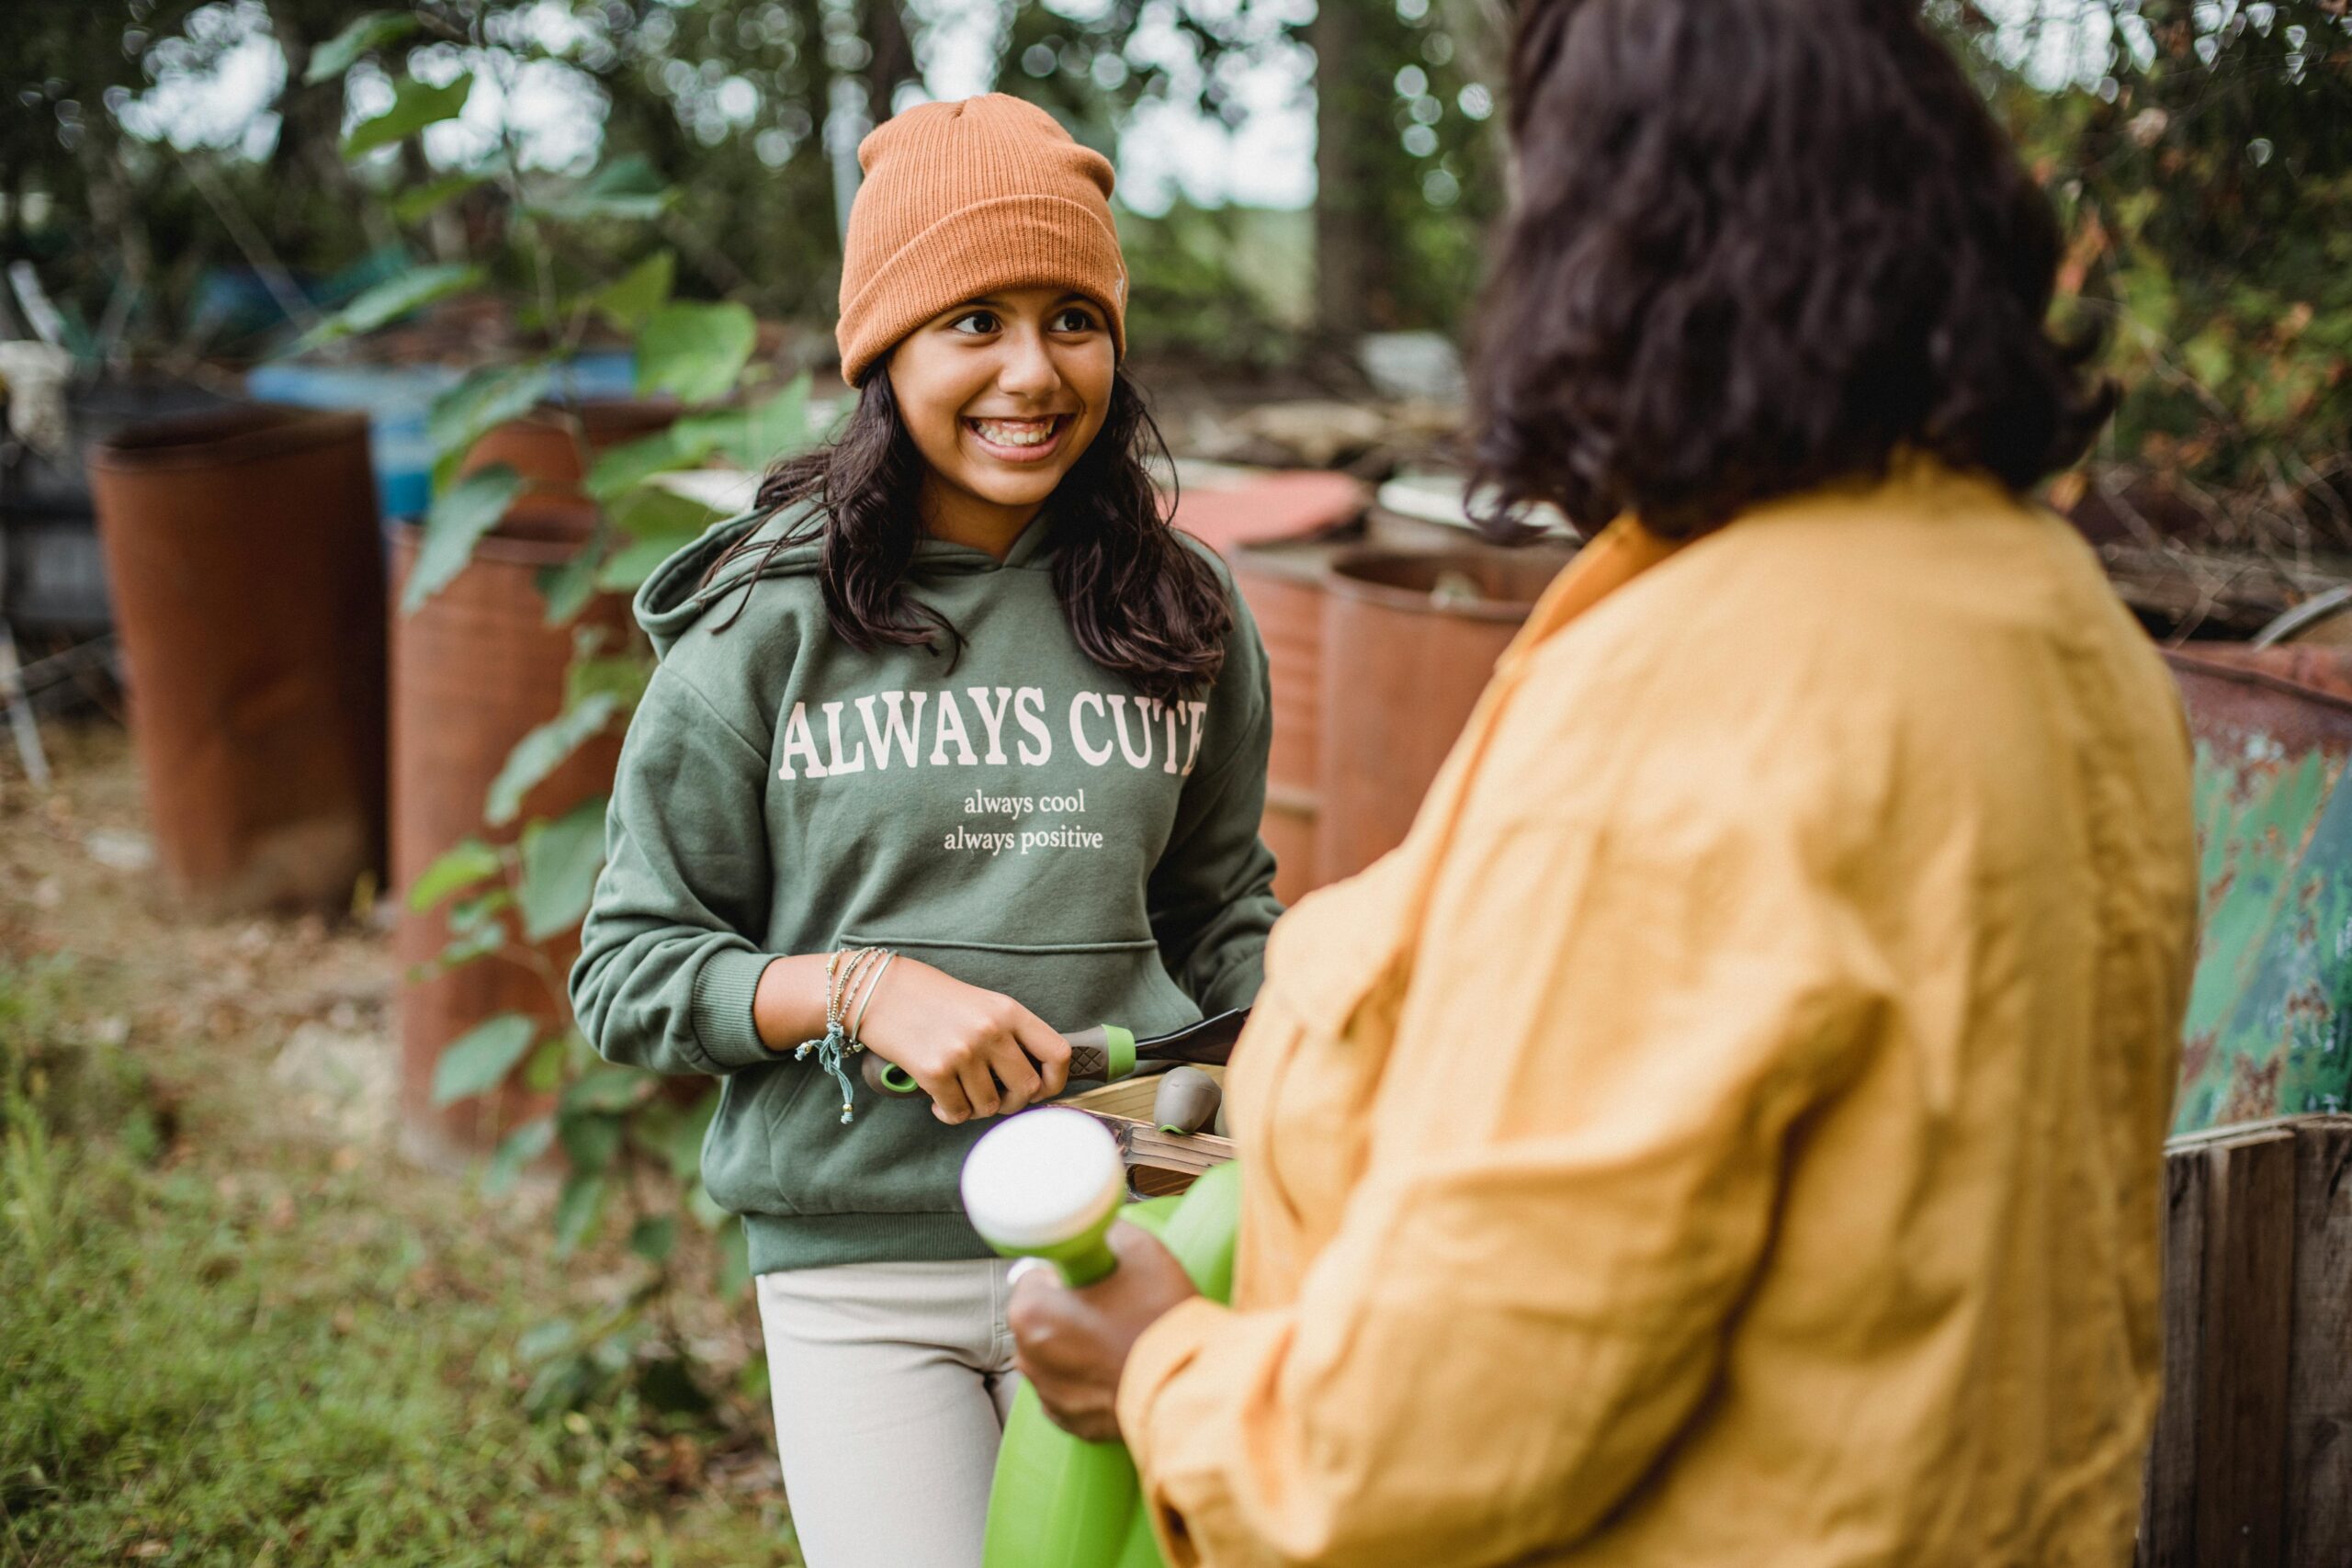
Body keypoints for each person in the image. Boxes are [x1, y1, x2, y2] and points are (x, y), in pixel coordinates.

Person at [1006, 3, 2200, 1563]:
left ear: (1622, 248)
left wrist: (1166, 1375)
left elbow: (1453, 1425)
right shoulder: (2067, 624)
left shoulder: (1709, 693)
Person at [570, 93, 1282, 1568]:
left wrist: (1299, 1058)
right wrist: (862, 986)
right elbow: (628, 973)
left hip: (1136, 1246)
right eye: (976, 321)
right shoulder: (764, 627)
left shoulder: (1185, 611)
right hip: (861, 1274)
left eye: (1073, 318)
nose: (1033, 372)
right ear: (883, 346)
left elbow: (1224, 923)